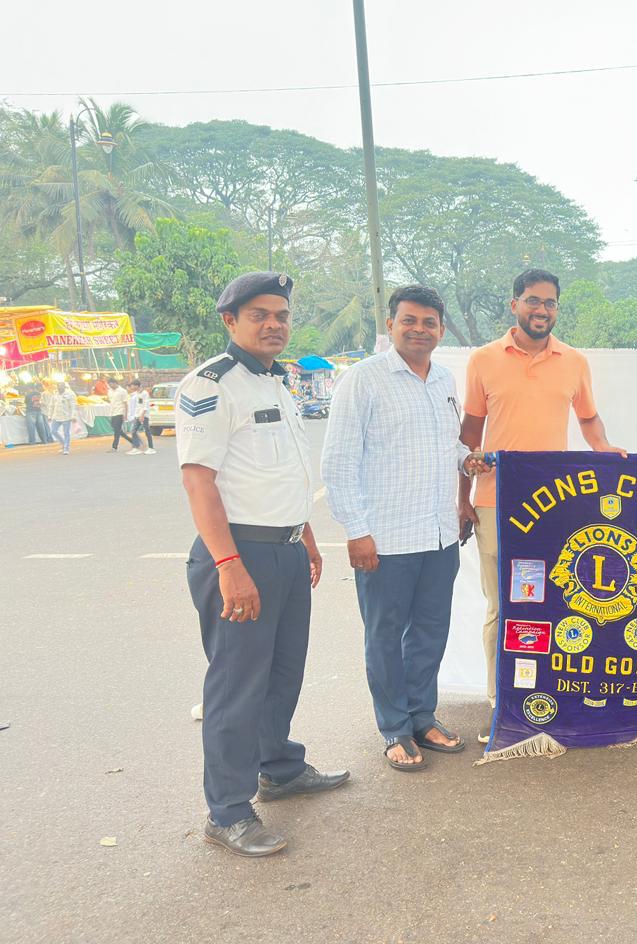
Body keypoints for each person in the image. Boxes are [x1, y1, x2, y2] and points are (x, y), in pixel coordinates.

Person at [176, 271, 349, 858]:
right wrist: (228, 563)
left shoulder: (280, 382)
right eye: (260, 315)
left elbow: (280, 474)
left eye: (281, 314)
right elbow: (199, 481)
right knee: (236, 686)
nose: (274, 324)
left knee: (282, 673)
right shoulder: (211, 385)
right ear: (230, 321)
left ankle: (279, 768)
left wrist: (304, 534)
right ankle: (226, 811)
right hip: (239, 554)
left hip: (284, 549)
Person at [323, 285, 490, 771]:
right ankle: (394, 727)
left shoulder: (442, 380)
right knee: (385, 633)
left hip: (438, 534)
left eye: (429, 322)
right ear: (392, 325)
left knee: (430, 632)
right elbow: (338, 462)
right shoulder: (363, 380)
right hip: (386, 537)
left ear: (440, 328)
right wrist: (356, 530)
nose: (419, 329)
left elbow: (445, 446)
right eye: (409, 321)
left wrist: (469, 460)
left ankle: (422, 716)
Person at [460, 267, 626, 743]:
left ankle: (543, 696)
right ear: (514, 304)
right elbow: (469, 438)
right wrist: (463, 499)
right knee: (502, 606)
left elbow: (589, 418)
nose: (542, 310)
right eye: (533, 301)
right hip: (495, 502)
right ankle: (501, 704)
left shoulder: (573, 361)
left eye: (550, 303)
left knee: (551, 601)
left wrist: (605, 448)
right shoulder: (484, 360)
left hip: (554, 505)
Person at [107, 378, 138, 452]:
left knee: (116, 430)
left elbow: (125, 403)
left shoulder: (122, 391)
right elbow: (111, 402)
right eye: (109, 384)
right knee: (116, 429)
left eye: (111, 384)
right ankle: (132, 441)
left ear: (115, 383)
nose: (110, 386)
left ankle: (114, 447)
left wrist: (125, 414)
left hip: (120, 412)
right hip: (113, 412)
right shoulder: (109, 391)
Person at [46, 381, 77, 455]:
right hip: (56, 416)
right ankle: (63, 443)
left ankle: (66, 448)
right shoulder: (55, 394)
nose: (60, 388)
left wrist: (73, 416)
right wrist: (50, 415)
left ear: (64, 387)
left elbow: (73, 406)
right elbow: (51, 406)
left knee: (66, 433)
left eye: (62, 386)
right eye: (59, 386)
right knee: (53, 431)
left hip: (66, 416)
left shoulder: (70, 394)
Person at [125, 379, 155, 455]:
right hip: (137, 415)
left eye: (132, 385)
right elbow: (139, 405)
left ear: (136, 386)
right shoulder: (137, 393)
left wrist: (142, 415)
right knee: (133, 431)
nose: (131, 387)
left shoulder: (144, 393)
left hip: (144, 415)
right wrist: (136, 415)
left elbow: (145, 405)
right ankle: (135, 448)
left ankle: (151, 448)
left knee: (147, 431)